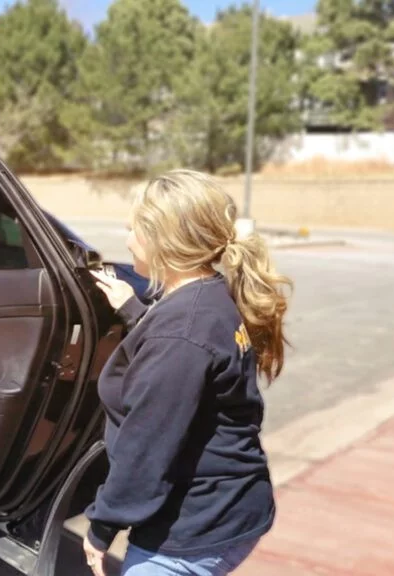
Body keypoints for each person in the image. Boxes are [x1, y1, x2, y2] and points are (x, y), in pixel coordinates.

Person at [82, 169, 292, 576]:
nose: (126, 241)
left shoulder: (182, 334)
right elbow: (184, 358)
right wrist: (133, 311)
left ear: (165, 239)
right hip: (229, 504)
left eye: (134, 230)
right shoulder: (206, 296)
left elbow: (147, 446)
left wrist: (102, 526)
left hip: (197, 527)